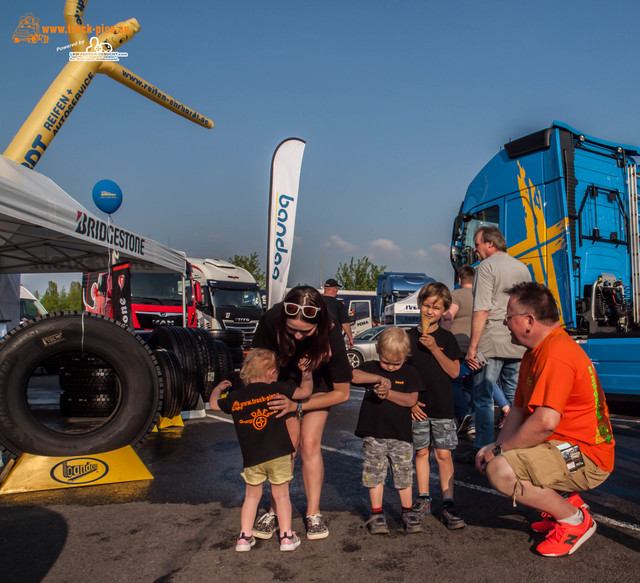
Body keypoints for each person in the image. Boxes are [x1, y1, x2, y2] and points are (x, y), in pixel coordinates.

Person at [476, 282, 615, 557]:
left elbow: (544, 423)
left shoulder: (556, 353)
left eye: (508, 317)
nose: (505, 323)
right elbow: (517, 412)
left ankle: (574, 520)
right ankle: (565, 503)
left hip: (587, 456)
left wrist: (500, 452)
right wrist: (494, 447)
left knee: (501, 471)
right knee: (496, 457)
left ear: (529, 321)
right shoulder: (534, 353)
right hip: (565, 447)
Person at [251, 285, 352, 540]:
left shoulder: (331, 331)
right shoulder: (271, 319)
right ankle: (275, 509)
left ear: (318, 325)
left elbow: (342, 393)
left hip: (318, 382)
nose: (297, 336)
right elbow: (256, 364)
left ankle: (313, 512)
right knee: (288, 447)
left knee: (309, 444)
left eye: (304, 331)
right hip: (284, 381)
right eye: (291, 329)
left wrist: (297, 406)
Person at [208, 348, 313, 552]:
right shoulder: (276, 389)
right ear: (271, 374)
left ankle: (244, 538)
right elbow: (306, 392)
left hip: (252, 456)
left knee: (252, 496)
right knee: (281, 495)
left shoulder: (236, 397)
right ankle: (286, 537)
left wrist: (219, 388)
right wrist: (306, 373)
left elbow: (213, 404)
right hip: (279, 453)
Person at [463, 225, 531, 459]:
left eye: (478, 243)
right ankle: (515, 448)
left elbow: (482, 308)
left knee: (483, 396)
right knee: (516, 398)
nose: (475, 248)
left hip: (491, 340)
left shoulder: (486, 267)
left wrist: (472, 347)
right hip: (517, 341)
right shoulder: (523, 268)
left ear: (490, 244)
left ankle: (481, 449)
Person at [351, 327, 422, 534]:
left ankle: (407, 511)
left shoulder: (410, 372)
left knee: (403, 474)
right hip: (373, 434)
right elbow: (352, 375)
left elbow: (411, 399)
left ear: (405, 356)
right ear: (378, 352)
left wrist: (388, 393)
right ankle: (377, 513)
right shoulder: (371, 368)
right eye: (386, 362)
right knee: (374, 473)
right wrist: (376, 379)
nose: (390, 367)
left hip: (401, 435)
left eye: (396, 363)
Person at [407, 282, 466, 529]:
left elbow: (454, 372)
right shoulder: (407, 336)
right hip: (417, 407)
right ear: (419, 304)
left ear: (444, 311)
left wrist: (434, 348)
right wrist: (409, 402)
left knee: (443, 454)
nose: (430, 311)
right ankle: (423, 499)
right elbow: (401, 373)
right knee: (421, 452)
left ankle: (448, 502)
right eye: (426, 305)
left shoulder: (447, 338)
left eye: (436, 307)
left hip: (442, 406)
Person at [322, 278, 354, 349]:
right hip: (333, 339)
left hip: (318, 339)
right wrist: (350, 338)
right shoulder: (338, 304)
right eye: (337, 288)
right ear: (334, 289)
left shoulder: (317, 301)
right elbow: (345, 323)